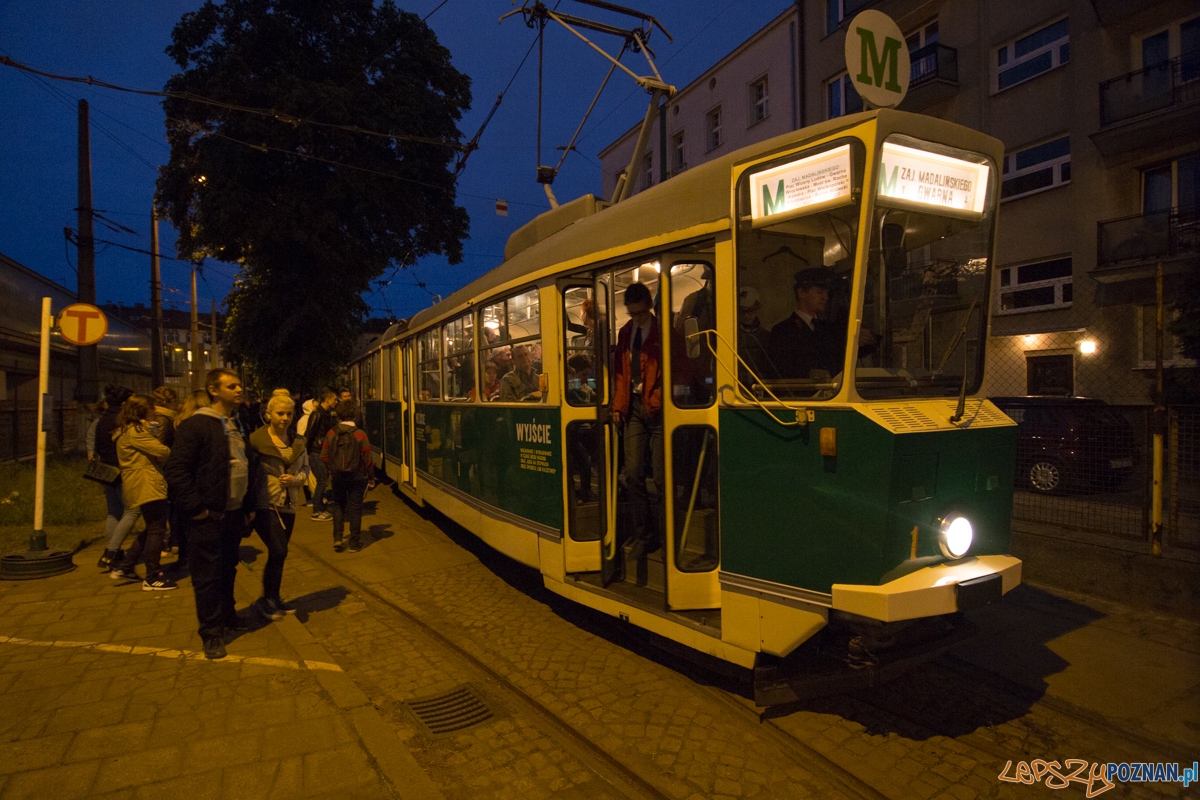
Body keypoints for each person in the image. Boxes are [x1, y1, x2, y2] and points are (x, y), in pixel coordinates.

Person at [164, 368, 257, 661]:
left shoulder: (236, 422)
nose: (239, 389)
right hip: (207, 516)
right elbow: (177, 471)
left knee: (229, 568)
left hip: (233, 512)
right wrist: (197, 509)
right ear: (214, 390)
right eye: (232, 386)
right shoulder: (198, 425)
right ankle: (211, 633)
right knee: (206, 577)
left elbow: (245, 466)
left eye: (240, 385)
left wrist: (247, 508)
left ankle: (228, 617)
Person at [613, 282, 664, 559]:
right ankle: (644, 534)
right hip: (633, 407)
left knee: (660, 476)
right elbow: (621, 374)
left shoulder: (663, 332)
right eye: (633, 315)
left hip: (658, 409)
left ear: (649, 308)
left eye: (641, 314)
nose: (637, 319)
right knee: (632, 474)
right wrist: (618, 406)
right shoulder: (625, 333)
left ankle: (665, 533)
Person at [248, 390, 309, 620]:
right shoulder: (256, 440)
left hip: (289, 504)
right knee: (278, 549)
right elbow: (249, 472)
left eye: (289, 414)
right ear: (269, 414)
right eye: (280, 413)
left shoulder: (298, 442)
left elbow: (305, 470)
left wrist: (295, 480)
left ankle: (273, 597)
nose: (285, 418)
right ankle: (266, 600)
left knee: (279, 555)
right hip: (267, 503)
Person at [109, 395, 176, 590]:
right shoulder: (136, 432)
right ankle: (152, 576)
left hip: (140, 483)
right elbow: (163, 451)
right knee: (157, 529)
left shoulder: (128, 430)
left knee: (151, 528)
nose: (154, 411)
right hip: (147, 483)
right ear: (141, 411)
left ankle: (126, 566)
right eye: (151, 408)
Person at [768, 267, 846, 380]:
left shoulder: (828, 328)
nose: (825, 297)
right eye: (819, 292)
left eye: (826, 292)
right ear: (802, 293)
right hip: (801, 395)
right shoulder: (783, 331)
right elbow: (781, 372)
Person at [321, 399, 375, 553]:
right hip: (357, 478)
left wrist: (333, 469)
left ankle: (338, 538)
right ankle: (354, 543)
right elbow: (368, 459)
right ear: (354, 415)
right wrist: (370, 478)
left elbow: (324, 456)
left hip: (338, 477)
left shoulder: (331, 433)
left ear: (338, 415)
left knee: (338, 505)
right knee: (355, 509)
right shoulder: (360, 434)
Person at [94, 385, 138, 571]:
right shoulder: (121, 421)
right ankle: (110, 552)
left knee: (114, 512)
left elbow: (97, 447)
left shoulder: (102, 420)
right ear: (124, 403)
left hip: (106, 470)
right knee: (133, 511)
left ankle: (115, 551)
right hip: (123, 471)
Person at [304, 391, 337, 522]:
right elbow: (309, 434)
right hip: (316, 452)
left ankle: (319, 507)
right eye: (334, 399)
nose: (336, 401)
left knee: (323, 479)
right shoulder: (317, 414)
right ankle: (317, 510)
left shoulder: (325, 414)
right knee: (322, 480)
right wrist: (306, 453)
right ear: (327, 400)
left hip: (320, 451)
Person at [736, 286, 775, 391]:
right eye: (742, 311)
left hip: (762, 389)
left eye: (751, 310)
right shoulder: (730, 336)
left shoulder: (767, 337)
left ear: (757, 308)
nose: (746, 315)